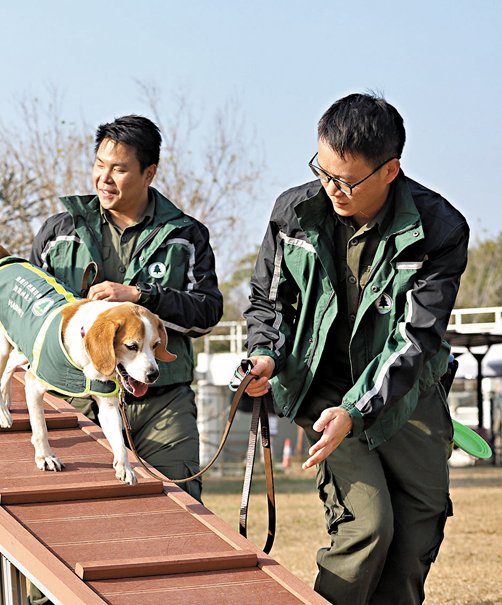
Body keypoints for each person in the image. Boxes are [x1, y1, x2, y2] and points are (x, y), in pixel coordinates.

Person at [241, 93, 469, 605]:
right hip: (323, 394)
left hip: (404, 393)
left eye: (346, 180)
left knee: (415, 536)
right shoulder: (293, 212)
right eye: (322, 170)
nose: (331, 188)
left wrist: (357, 408)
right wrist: (266, 352)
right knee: (367, 528)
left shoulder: (440, 229)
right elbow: (266, 300)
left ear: (390, 171)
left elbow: (415, 339)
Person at [27, 114, 223, 603]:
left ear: (149, 174)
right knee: (63, 528)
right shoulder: (58, 230)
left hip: (163, 400)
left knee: (178, 516)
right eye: (98, 165)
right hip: (75, 399)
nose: (104, 178)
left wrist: (141, 295)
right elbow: (33, 310)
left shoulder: (186, 234)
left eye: (119, 169)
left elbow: (207, 312)